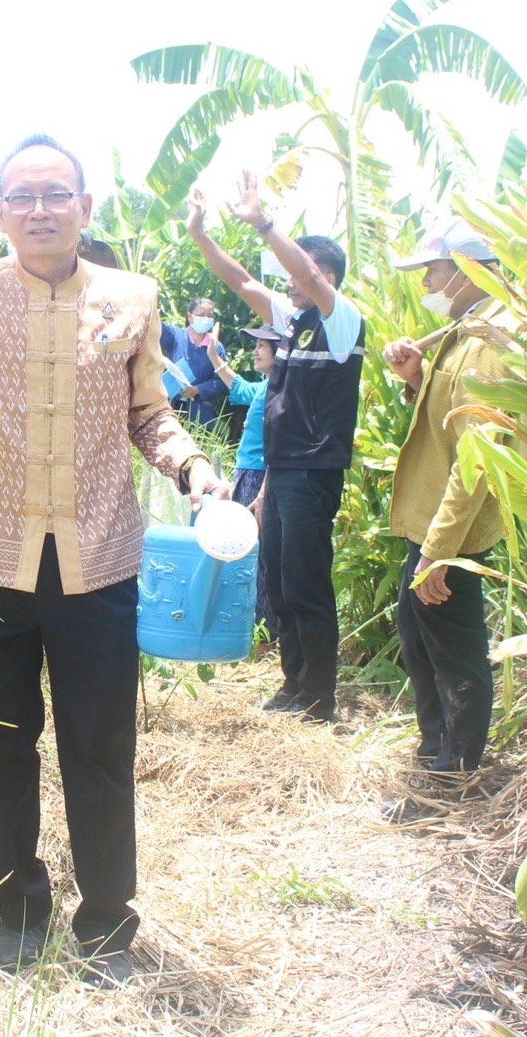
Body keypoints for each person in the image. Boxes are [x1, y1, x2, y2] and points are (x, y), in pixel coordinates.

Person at [0, 134, 230, 989]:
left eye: (55, 194)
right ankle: (19, 910)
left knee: (99, 750)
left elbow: (151, 415)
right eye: (20, 197)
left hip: (97, 563)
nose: (38, 209)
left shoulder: (132, 298)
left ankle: (105, 925)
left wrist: (194, 467)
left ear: (85, 207)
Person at [186, 173, 365, 723]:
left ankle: (319, 697)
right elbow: (239, 280)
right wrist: (200, 234)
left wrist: (262, 221)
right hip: (282, 470)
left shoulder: (342, 321)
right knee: (282, 582)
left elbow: (305, 271)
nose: (287, 283)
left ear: (324, 276)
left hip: (315, 472)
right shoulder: (291, 323)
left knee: (308, 583)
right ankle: (293, 685)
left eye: (295, 273)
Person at [383, 218, 513, 774]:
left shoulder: (489, 343)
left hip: (450, 531)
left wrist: (439, 552)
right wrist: (416, 378)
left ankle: (459, 765)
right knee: (419, 634)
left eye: (432, 271)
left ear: (467, 270)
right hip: (433, 522)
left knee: (453, 648)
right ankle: (436, 745)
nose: (426, 284)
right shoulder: (467, 327)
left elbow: (477, 458)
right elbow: (447, 422)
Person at [205, 324, 281, 641]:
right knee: (247, 552)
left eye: (263, 345)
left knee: (256, 554)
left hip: (260, 476)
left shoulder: (280, 387)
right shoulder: (266, 384)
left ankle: (263, 636)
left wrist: (262, 493)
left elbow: (278, 445)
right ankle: (252, 629)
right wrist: (213, 356)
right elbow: (240, 388)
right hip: (248, 474)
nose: (256, 350)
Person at [159, 299, 228, 427]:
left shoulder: (216, 347)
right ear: (190, 317)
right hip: (172, 405)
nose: (206, 319)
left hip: (201, 411)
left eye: (210, 316)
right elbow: (155, 326)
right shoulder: (176, 336)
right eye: (202, 315)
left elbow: (221, 380)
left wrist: (198, 389)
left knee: (197, 443)